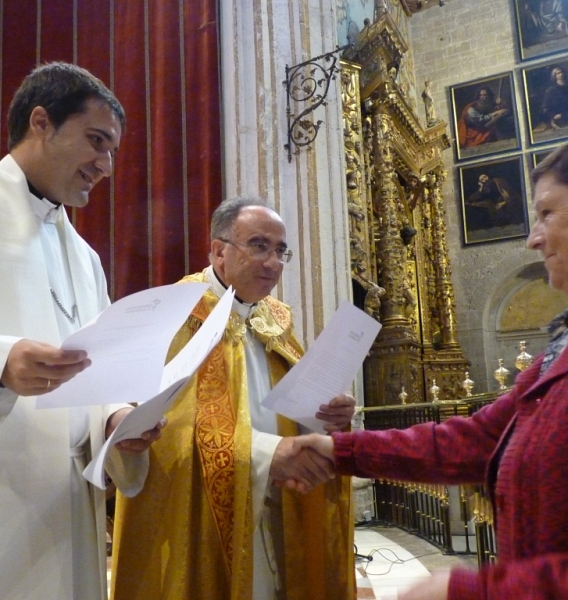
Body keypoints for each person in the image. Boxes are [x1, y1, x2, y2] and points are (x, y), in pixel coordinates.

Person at [292, 127, 568, 598]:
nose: (533, 240)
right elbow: (473, 440)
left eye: (547, 214)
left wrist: (468, 592)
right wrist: (342, 451)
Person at [111, 197, 357, 600]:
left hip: (277, 505)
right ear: (219, 251)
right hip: (202, 517)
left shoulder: (274, 319)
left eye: (280, 250)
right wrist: (264, 455)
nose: (273, 262)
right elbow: (166, 432)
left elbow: (289, 403)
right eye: (259, 245)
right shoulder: (174, 312)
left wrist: (327, 415)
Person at [0, 62, 165, 600]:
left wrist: (119, 417)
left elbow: (101, 371)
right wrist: (3, 363)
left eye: (113, 149)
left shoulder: (86, 257)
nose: (106, 165)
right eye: (96, 141)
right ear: (42, 122)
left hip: (68, 505)